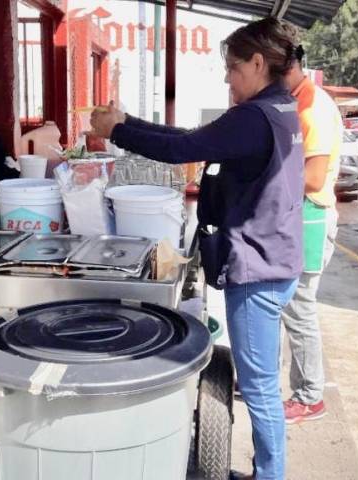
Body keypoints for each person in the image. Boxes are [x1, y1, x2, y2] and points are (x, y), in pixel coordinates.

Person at [91, 18, 304, 480]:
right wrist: (127, 123)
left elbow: (183, 148)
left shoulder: (254, 117)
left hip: (259, 265)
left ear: (258, 63)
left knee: (259, 387)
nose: (228, 78)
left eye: (233, 68)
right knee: (261, 382)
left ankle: (270, 475)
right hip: (276, 257)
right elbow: (192, 138)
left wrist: (118, 131)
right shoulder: (279, 107)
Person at [280, 44, 343, 424]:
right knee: (281, 305)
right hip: (298, 216)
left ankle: (309, 397)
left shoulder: (313, 108)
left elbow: (314, 178)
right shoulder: (295, 100)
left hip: (310, 217)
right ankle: (268, 382)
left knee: (299, 309)